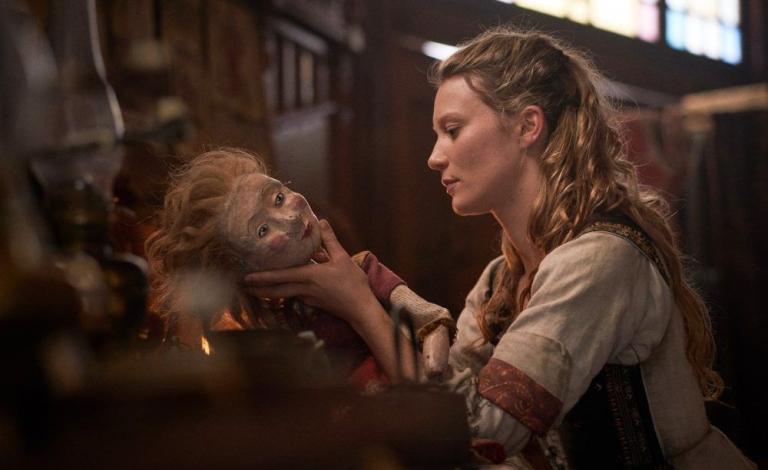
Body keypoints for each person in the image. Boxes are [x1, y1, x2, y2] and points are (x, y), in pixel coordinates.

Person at [243, 27, 756, 468]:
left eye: (452, 130)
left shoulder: (600, 259)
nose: (433, 158)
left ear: (527, 126)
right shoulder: (500, 279)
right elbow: (448, 395)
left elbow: (483, 431)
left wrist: (359, 303)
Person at [144, 148, 452, 390]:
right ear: (243, 267)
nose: (289, 218)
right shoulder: (265, 321)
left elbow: (424, 317)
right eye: (262, 230)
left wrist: (433, 337)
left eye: (279, 198)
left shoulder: (362, 269)